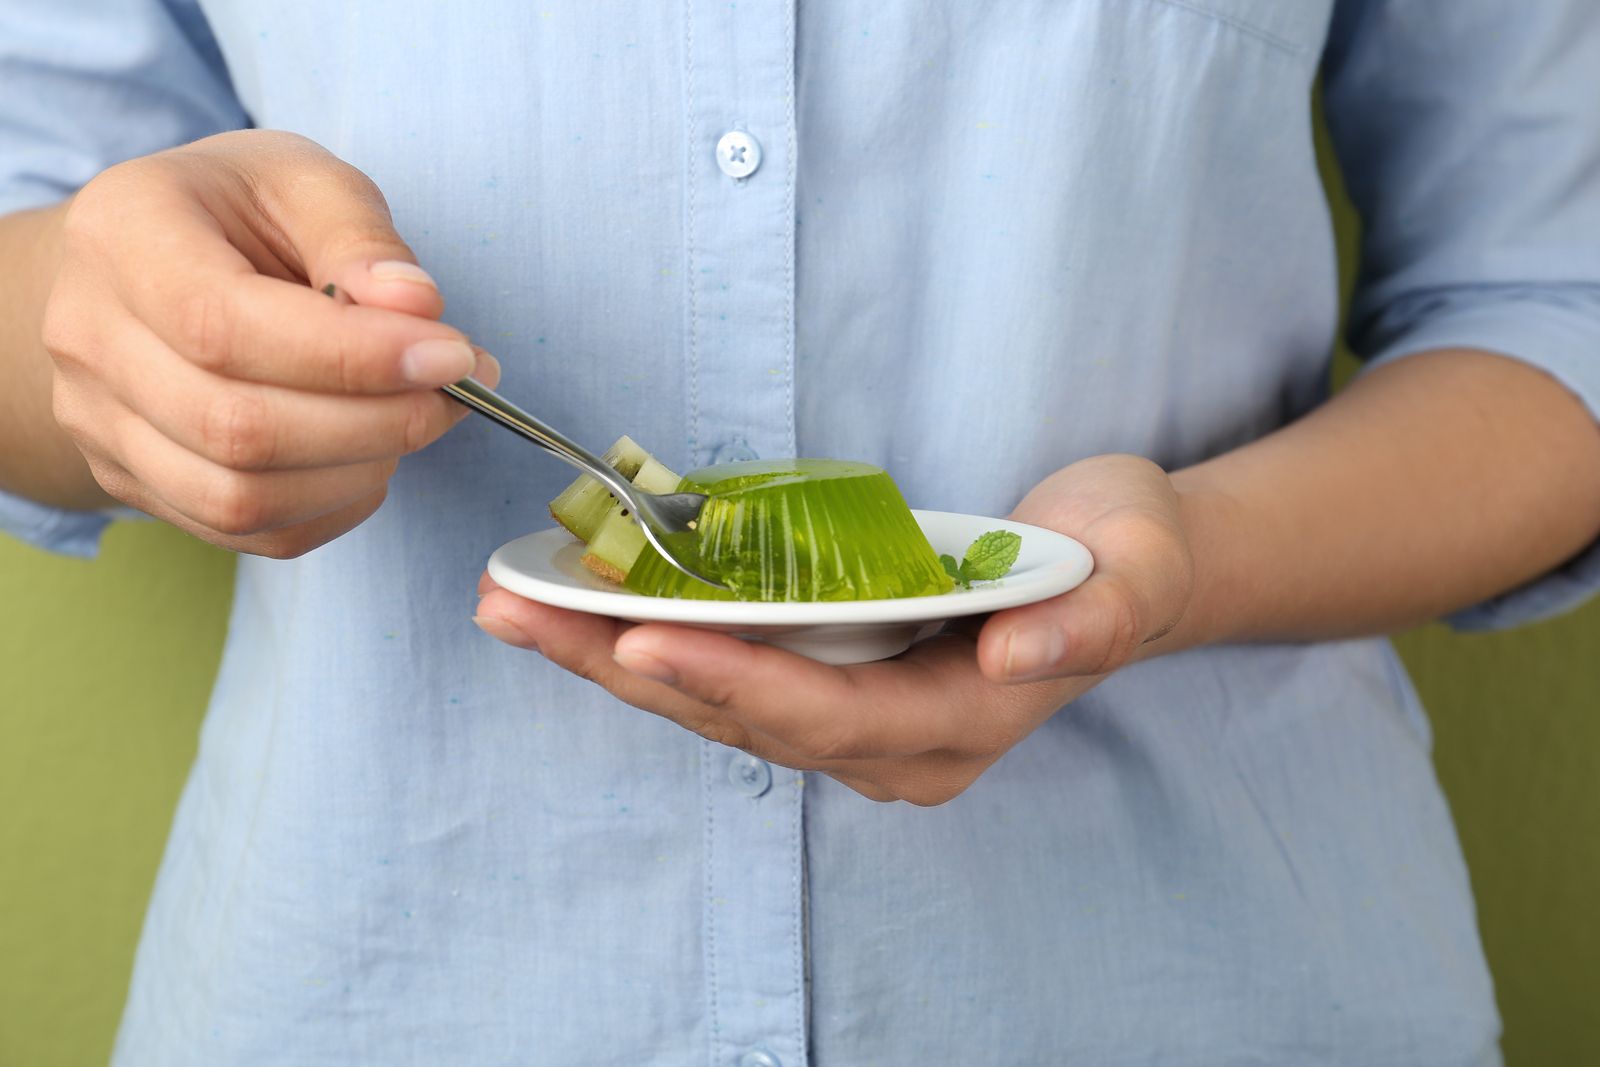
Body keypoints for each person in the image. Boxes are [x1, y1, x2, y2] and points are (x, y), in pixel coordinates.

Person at [3, 1, 1597, 1063]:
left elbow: (1552, 306)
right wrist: (136, 345)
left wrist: (1184, 559)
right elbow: (30, 263)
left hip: (1208, 982)